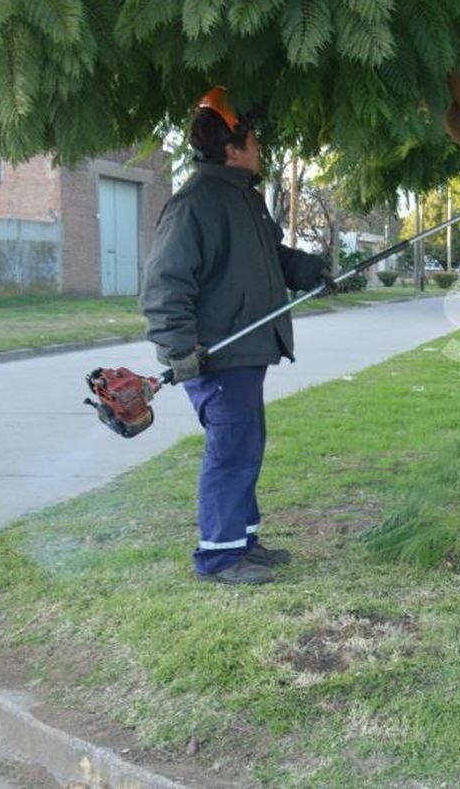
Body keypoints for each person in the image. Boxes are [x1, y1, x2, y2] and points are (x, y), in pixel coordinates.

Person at [141, 87, 333, 585]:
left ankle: (241, 540)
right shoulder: (196, 204)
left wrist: (313, 269)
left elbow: (275, 259)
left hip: (246, 351)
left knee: (245, 444)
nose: (261, 147)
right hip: (216, 356)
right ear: (233, 147)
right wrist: (180, 349)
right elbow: (164, 286)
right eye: (255, 139)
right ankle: (220, 557)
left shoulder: (243, 200)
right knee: (230, 450)